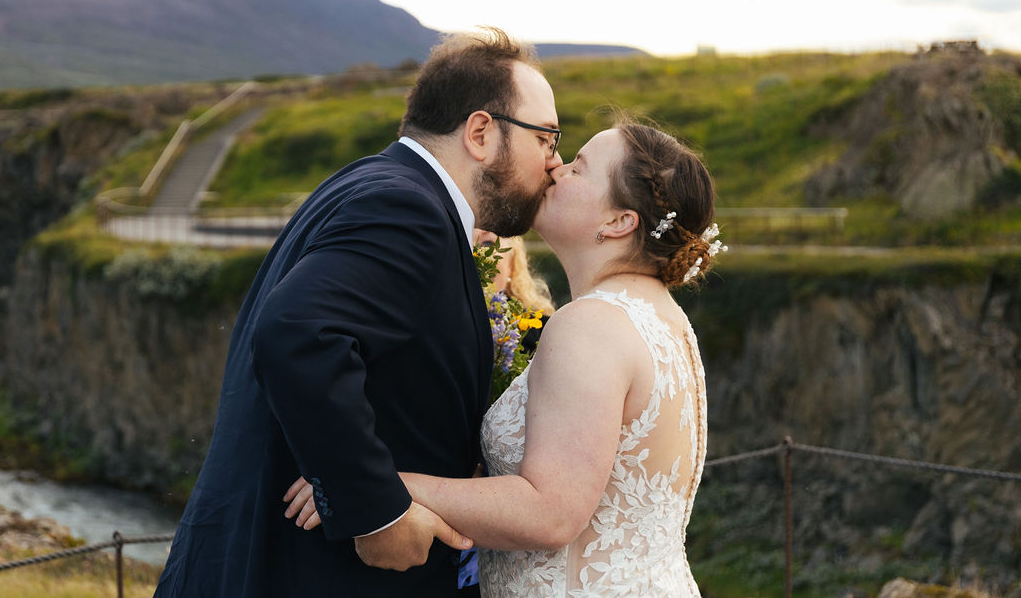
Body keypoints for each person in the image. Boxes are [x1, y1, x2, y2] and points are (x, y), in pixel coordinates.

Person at [154, 27, 563, 597]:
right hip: (305, 575)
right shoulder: (409, 211)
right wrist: (377, 513)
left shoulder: (367, 183)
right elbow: (297, 333)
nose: (554, 162)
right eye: (546, 138)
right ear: (479, 133)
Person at [288, 121, 724, 596]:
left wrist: (375, 485)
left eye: (579, 168)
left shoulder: (590, 325)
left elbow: (550, 513)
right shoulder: (665, 317)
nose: (557, 168)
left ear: (619, 222)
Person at [472, 229, 556, 354]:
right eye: (462, 243)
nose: (473, 254)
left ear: (512, 263)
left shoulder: (547, 335)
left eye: (488, 244)